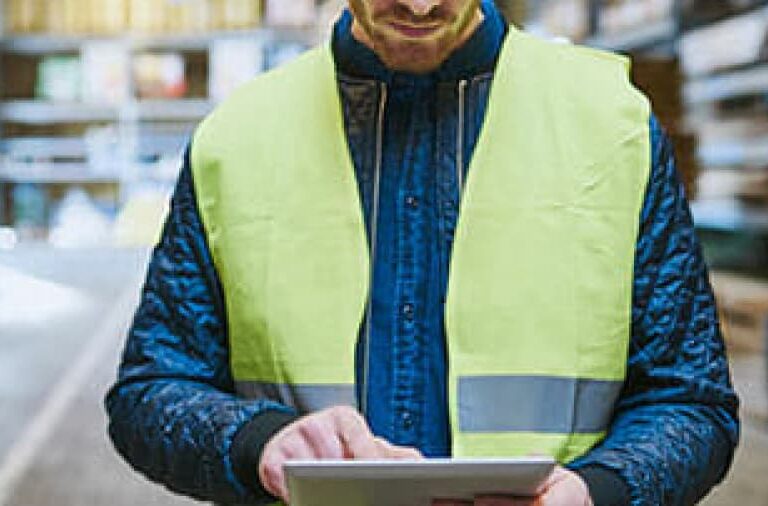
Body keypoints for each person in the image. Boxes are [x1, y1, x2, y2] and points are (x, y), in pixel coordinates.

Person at [105, 1, 740, 505]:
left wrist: (593, 491)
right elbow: (151, 392)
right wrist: (260, 442)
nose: (419, 3)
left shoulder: (613, 126)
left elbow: (691, 402)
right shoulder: (237, 138)